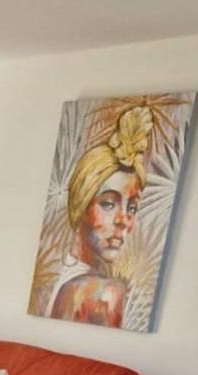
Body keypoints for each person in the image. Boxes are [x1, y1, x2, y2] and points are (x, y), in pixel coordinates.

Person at [48, 106, 153, 328]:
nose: (123, 220)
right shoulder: (103, 294)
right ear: (81, 205)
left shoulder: (62, 279)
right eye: (108, 203)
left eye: (132, 208)